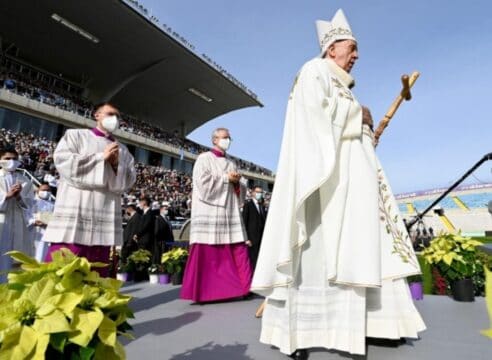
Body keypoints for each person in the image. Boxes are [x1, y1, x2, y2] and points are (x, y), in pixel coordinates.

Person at [251, 9, 425, 359]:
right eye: (352, 47)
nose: (357, 55)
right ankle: (303, 331)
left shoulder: (343, 87)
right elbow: (313, 117)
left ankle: (377, 325)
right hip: (327, 187)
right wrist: (356, 116)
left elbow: (343, 130)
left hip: (356, 185)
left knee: (365, 248)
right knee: (321, 253)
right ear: (332, 48)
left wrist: (363, 134)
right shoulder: (313, 71)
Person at [43, 102, 136, 276]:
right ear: (97, 115)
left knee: (97, 266)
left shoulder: (123, 150)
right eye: (110, 114)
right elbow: (64, 162)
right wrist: (101, 157)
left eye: (117, 116)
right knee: (65, 261)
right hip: (78, 207)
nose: (114, 119)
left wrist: (116, 166)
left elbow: (129, 181)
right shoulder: (76, 136)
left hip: (104, 209)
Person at [180, 128, 252, 303]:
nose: (227, 140)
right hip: (210, 211)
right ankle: (208, 292)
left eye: (229, 137)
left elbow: (240, 190)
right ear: (214, 140)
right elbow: (202, 184)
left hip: (228, 212)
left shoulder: (232, 163)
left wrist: (238, 184)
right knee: (210, 253)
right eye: (224, 137)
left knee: (237, 248)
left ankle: (243, 288)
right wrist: (228, 179)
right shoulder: (204, 159)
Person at [0, 144, 35, 281]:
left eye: (14, 158)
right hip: (2, 219)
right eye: (7, 158)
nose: (11, 161)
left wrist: (19, 196)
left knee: (13, 256)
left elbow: (30, 204)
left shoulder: (25, 180)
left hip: (17, 223)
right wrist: (6, 196)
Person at [28, 182, 55, 262]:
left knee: (41, 254)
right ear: (38, 191)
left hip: (45, 232)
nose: (46, 192)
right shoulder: (31, 202)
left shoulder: (53, 205)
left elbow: (54, 219)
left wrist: (47, 223)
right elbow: (26, 215)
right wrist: (33, 221)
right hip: (32, 230)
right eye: (43, 190)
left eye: (48, 190)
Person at [242, 186, 267, 270]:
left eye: (260, 192)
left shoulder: (262, 206)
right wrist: (246, 239)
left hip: (261, 238)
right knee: (253, 260)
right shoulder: (248, 205)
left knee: (260, 258)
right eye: (257, 192)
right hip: (252, 238)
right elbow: (244, 222)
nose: (259, 194)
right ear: (252, 193)